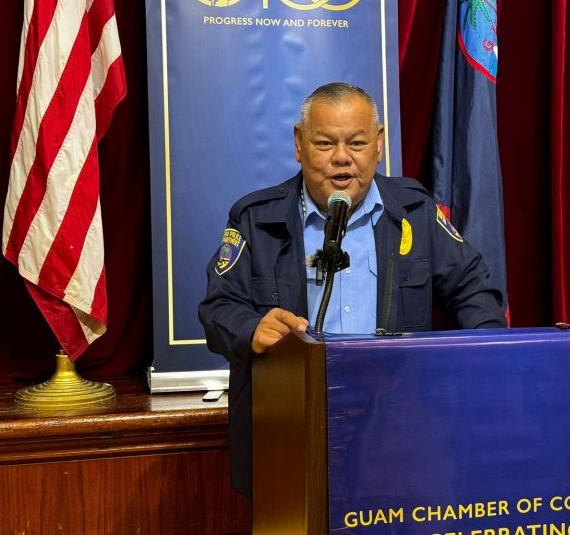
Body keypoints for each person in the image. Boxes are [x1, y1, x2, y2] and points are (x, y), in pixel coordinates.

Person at [198, 82, 506, 499]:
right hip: (291, 430)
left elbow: (473, 289)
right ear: (299, 143)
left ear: (378, 144)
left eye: (357, 143)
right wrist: (252, 329)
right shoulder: (256, 219)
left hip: (396, 431)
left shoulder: (415, 211)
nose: (342, 157)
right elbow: (219, 307)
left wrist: (488, 362)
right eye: (325, 143)